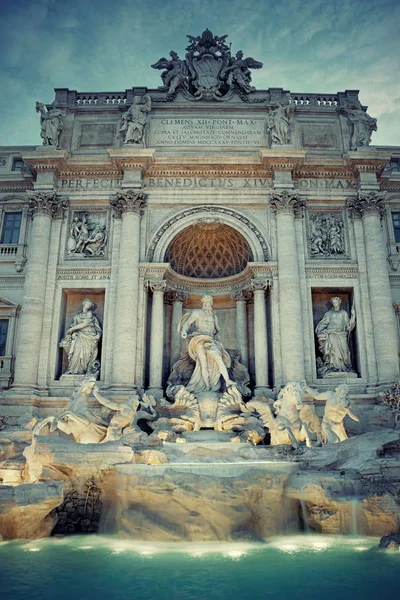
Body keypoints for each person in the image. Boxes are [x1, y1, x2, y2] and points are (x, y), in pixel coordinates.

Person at [179, 295, 235, 393]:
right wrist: (184, 330)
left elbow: (217, 331)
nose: (206, 304)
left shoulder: (214, 317)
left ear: (211, 304)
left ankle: (227, 381)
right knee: (203, 363)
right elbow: (188, 323)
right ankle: (207, 386)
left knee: (218, 357)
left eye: (208, 302)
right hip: (199, 339)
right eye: (204, 302)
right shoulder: (197, 313)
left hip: (211, 340)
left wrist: (218, 339)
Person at [60, 299, 102, 375]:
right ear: (83, 304)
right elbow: (73, 326)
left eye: (89, 305)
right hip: (79, 336)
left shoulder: (90, 314)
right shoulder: (77, 316)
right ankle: (74, 370)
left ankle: (83, 370)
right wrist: (73, 332)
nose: (88, 306)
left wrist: (71, 329)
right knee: (76, 352)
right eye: (87, 304)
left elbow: (85, 324)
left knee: (86, 354)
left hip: (90, 336)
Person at [315, 297, 355, 374]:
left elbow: (348, 326)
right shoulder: (329, 314)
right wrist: (322, 331)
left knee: (344, 352)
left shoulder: (344, 313)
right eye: (333, 302)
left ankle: (344, 367)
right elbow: (322, 324)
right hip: (331, 334)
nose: (335, 304)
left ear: (339, 302)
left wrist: (353, 316)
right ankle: (333, 367)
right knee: (332, 351)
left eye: (336, 302)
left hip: (342, 335)